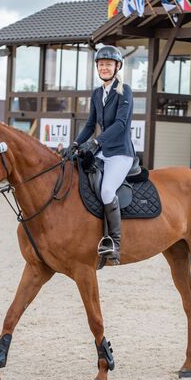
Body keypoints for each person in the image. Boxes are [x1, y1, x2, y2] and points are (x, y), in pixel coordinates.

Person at [64, 45, 135, 264]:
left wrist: (96, 142)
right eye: (101, 64)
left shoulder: (125, 91)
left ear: (117, 67)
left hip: (120, 154)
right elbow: (89, 124)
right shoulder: (97, 93)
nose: (104, 68)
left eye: (108, 64)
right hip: (103, 152)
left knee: (106, 191)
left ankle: (113, 242)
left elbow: (121, 124)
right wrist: (76, 143)